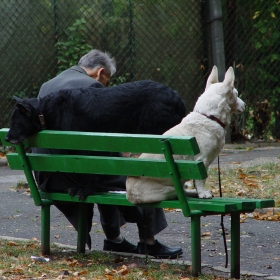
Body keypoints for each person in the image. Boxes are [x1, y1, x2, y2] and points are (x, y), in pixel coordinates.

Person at [34, 49, 183, 258]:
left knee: (103, 169)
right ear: (99, 72)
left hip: (49, 175)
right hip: (76, 175)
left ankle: (115, 240)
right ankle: (148, 241)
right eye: (107, 80)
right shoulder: (92, 88)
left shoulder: (47, 86)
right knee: (136, 174)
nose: (107, 86)